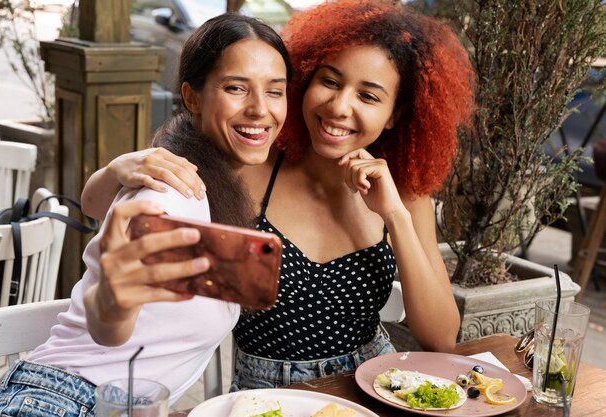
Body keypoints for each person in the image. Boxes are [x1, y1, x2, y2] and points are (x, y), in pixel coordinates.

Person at [81, 0, 475, 390]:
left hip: (377, 385)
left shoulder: (402, 193)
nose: (339, 106)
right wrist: (116, 168)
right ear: (303, 82)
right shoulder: (248, 168)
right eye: (330, 82)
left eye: (368, 96)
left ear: (394, 114)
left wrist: (395, 216)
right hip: (267, 393)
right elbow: (97, 208)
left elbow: (441, 339)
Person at [0, 13, 291, 416]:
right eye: (236, 88)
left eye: (275, 91)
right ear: (192, 96)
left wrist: (111, 171)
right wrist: (111, 304)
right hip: (59, 400)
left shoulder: (208, 181)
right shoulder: (168, 193)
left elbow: (94, 206)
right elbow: (106, 324)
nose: (259, 109)